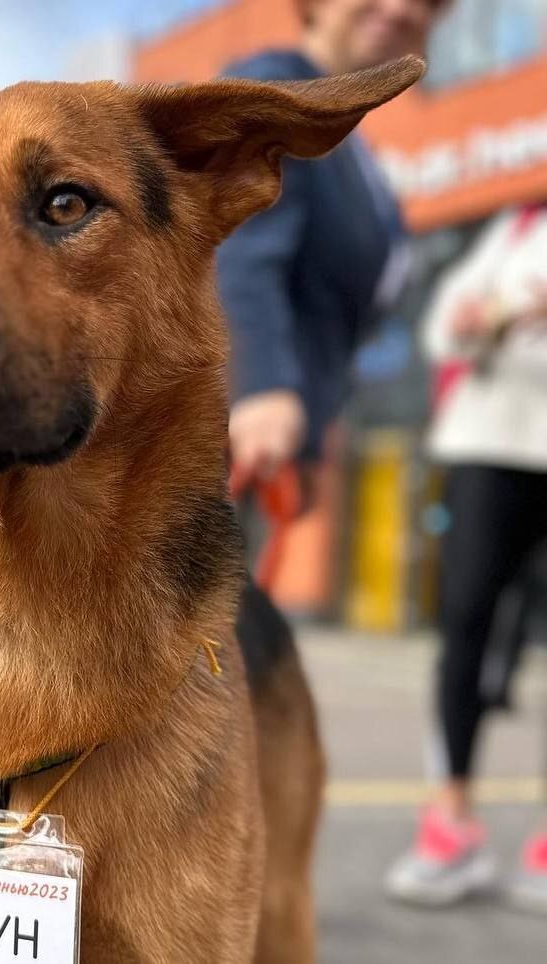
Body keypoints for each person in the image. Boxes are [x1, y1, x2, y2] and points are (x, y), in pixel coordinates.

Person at [385, 203, 547, 910]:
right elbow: (443, 326)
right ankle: (450, 823)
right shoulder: (515, 228)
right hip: (488, 446)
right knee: (465, 623)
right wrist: (493, 317)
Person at [220, 0, 449, 490]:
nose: (400, 8)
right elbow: (238, 242)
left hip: (274, 446)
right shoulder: (276, 86)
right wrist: (259, 385)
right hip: (220, 436)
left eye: (428, 2)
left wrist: (309, 436)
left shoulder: (354, 151)